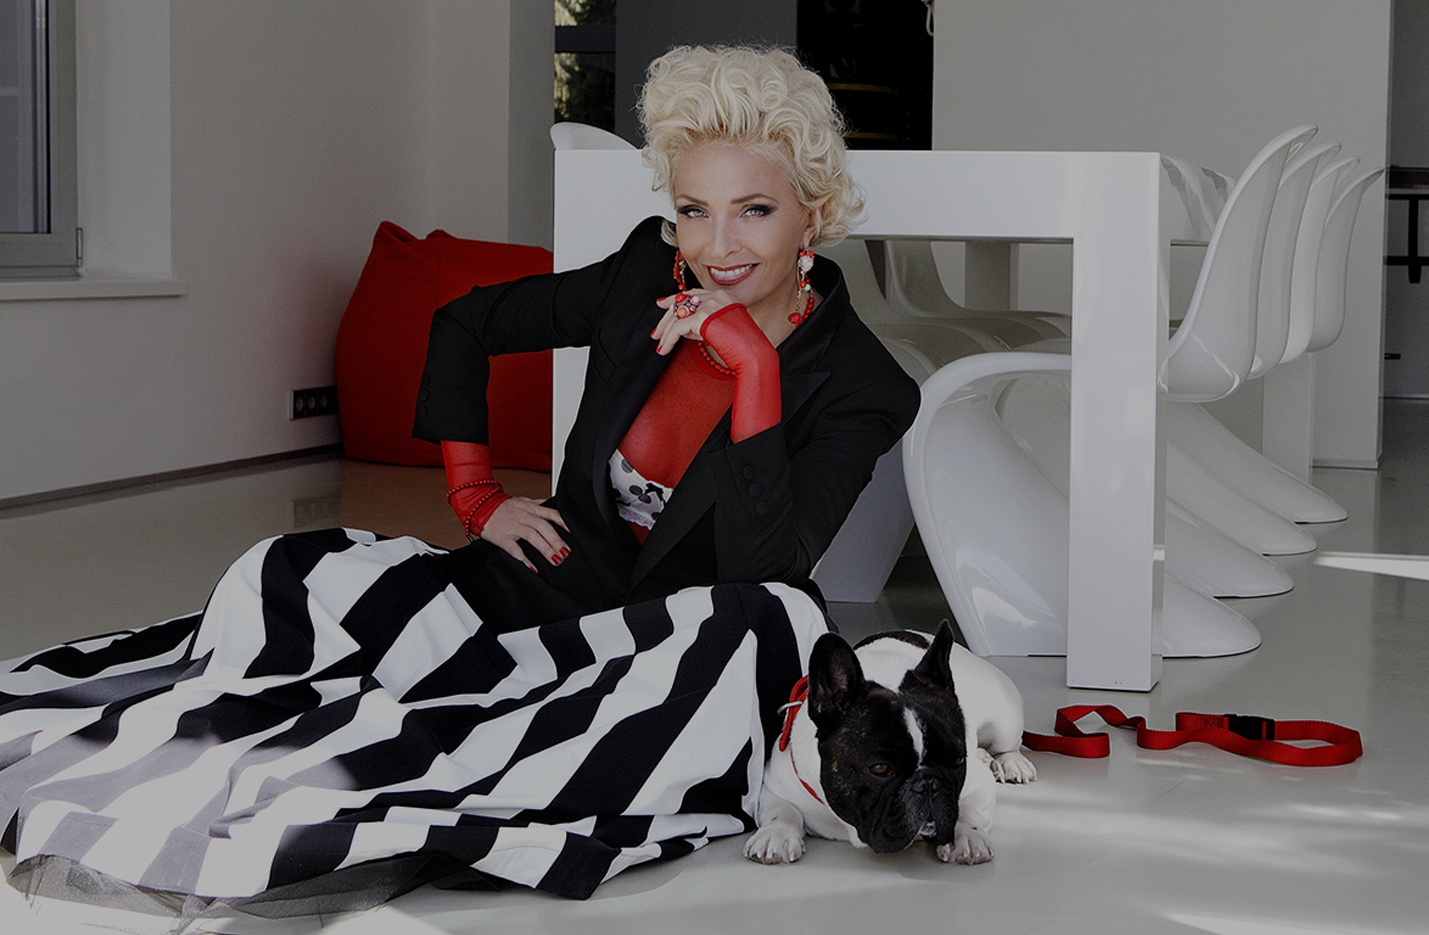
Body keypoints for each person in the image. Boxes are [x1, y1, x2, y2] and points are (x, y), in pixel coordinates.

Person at [0, 45, 919, 918]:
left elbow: (763, 564)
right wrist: (476, 496)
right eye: (693, 210)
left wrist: (754, 370)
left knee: (762, 616)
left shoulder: (865, 386)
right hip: (560, 580)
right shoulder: (646, 273)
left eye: (753, 211)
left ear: (812, 214)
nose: (716, 246)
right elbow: (465, 321)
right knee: (309, 571)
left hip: (692, 637)